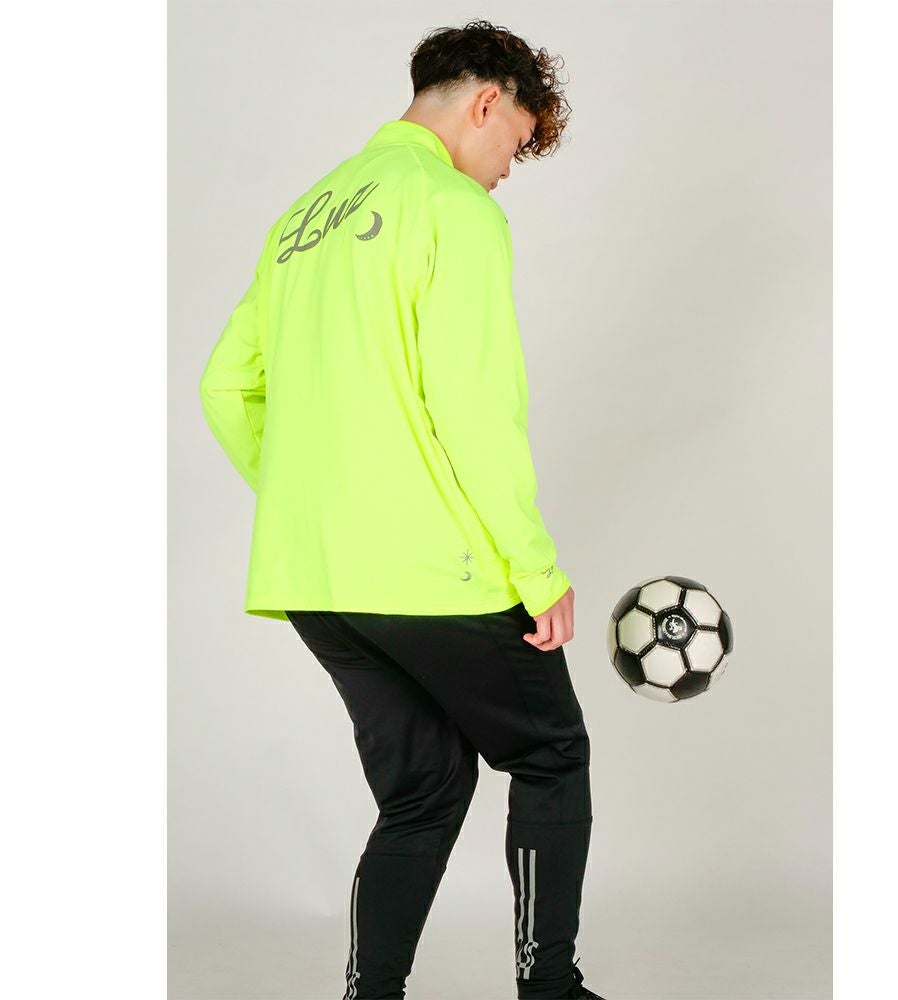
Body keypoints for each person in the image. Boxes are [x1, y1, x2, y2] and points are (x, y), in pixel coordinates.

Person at [199, 18, 604, 1000]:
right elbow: (472, 407)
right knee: (550, 753)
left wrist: (319, 495)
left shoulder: (305, 215)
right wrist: (536, 569)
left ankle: (369, 995)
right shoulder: (451, 208)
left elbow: (224, 386)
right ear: (486, 102)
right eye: (515, 144)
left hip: (316, 577)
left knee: (424, 787)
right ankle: (550, 989)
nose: (505, 172)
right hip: (429, 573)